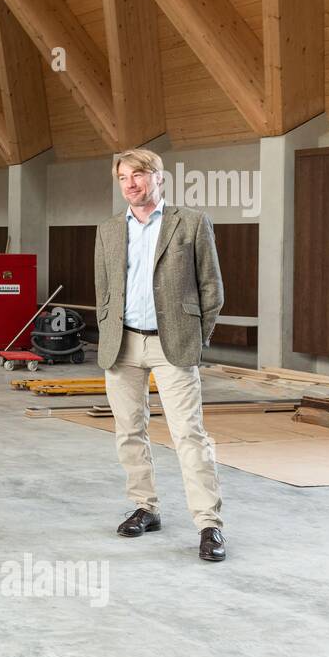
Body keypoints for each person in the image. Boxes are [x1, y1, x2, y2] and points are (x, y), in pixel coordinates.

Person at [94, 148, 227, 562]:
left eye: (138, 175)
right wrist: (107, 327)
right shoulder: (109, 230)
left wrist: (195, 338)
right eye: (123, 177)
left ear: (158, 178)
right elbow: (104, 290)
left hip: (173, 344)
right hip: (123, 344)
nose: (130, 184)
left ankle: (209, 524)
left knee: (189, 434)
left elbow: (212, 289)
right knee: (129, 431)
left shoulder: (190, 223)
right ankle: (145, 507)